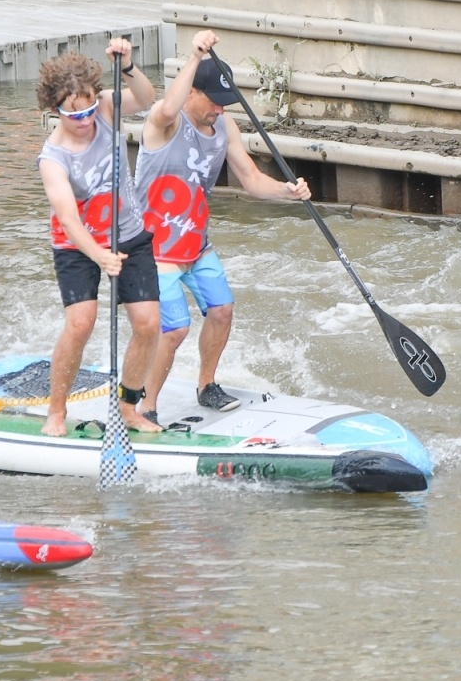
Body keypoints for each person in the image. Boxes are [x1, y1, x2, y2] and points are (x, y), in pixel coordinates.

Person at [135, 29, 310, 412]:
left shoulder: (226, 127)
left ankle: (206, 385)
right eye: (214, 101)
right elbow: (166, 107)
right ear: (192, 92)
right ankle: (143, 408)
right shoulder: (163, 123)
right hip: (153, 250)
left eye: (225, 103)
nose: (220, 110)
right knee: (175, 328)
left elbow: (249, 178)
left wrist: (286, 191)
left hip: (195, 245)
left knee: (222, 310)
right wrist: (195, 57)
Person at [35, 39, 163, 436]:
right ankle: (56, 411)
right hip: (77, 246)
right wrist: (100, 257)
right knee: (81, 323)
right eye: (74, 114)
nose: (86, 118)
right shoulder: (53, 158)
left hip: (129, 232)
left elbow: (146, 97)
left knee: (147, 323)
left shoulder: (107, 106)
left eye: (90, 108)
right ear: (55, 110)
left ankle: (128, 405)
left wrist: (127, 67)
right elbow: (70, 221)